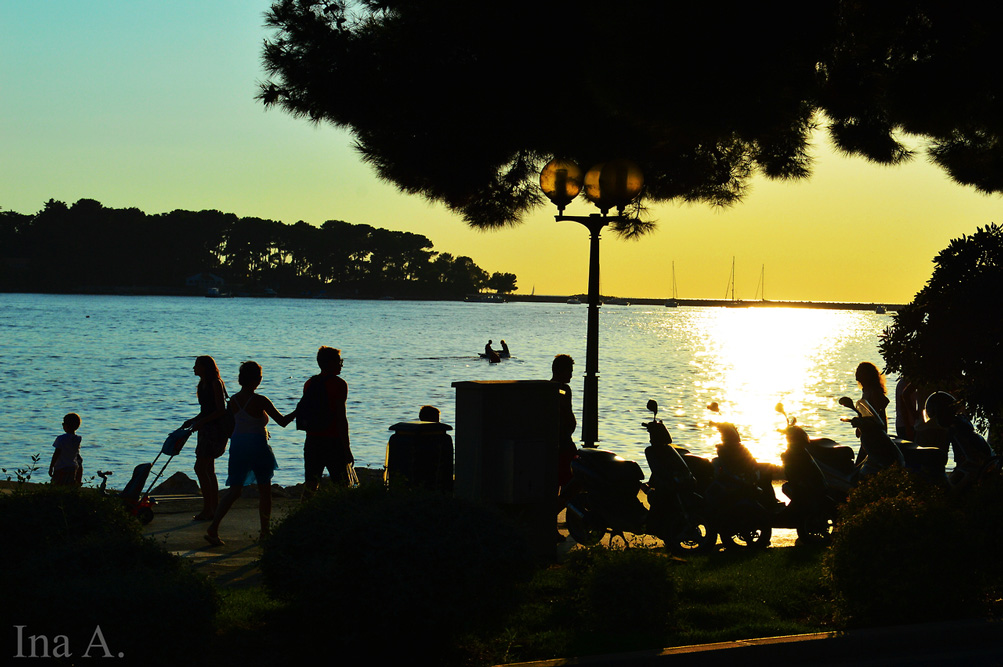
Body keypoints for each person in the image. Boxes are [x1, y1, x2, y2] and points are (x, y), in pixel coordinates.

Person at [205, 361, 293, 546]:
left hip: (238, 446)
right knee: (265, 491)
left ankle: (214, 527)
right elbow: (283, 422)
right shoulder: (260, 400)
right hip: (257, 446)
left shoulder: (233, 401)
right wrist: (300, 410)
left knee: (234, 490)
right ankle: (265, 532)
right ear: (257, 380)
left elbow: (232, 425)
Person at [299, 346, 354, 499]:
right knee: (343, 484)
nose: (341, 364)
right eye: (339, 361)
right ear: (331, 363)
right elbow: (341, 418)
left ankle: (301, 518)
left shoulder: (309, 383)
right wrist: (347, 448)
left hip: (312, 439)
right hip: (333, 440)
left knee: (311, 484)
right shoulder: (339, 384)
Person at [182, 355, 230, 521]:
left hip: (214, 431)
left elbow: (220, 410)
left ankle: (209, 508)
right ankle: (212, 508)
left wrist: (201, 422)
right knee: (208, 469)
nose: (194, 368)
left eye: (197, 365)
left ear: (205, 367)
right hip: (205, 429)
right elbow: (206, 410)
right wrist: (193, 420)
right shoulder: (202, 384)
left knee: (200, 467)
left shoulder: (215, 383)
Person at [49, 413, 82, 486]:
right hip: (72, 468)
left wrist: (51, 466)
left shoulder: (60, 439)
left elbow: (56, 453)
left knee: (57, 485)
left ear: (66, 425)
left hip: (60, 467)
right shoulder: (77, 439)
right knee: (68, 486)